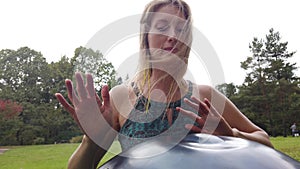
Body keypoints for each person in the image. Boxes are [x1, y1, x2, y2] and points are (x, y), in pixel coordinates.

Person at [55, 0, 273, 168]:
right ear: (146, 36)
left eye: (180, 30)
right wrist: (91, 139)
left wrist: (231, 135)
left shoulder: (205, 96)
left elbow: (265, 142)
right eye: (162, 27)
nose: (172, 36)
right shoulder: (120, 97)